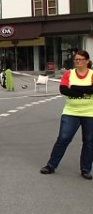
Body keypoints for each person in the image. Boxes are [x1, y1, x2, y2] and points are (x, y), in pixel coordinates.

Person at [40, 50, 93, 178]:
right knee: (63, 138)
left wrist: (74, 88)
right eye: (76, 59)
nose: (78, 61)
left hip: (90, 113)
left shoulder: (92, 74)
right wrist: (85, 92)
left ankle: (85, 169)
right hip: (71, 112)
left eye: (80, 59)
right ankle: (51, 165)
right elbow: (63, 90)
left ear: (87, 61)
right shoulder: (69, 73)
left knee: (89, 142)